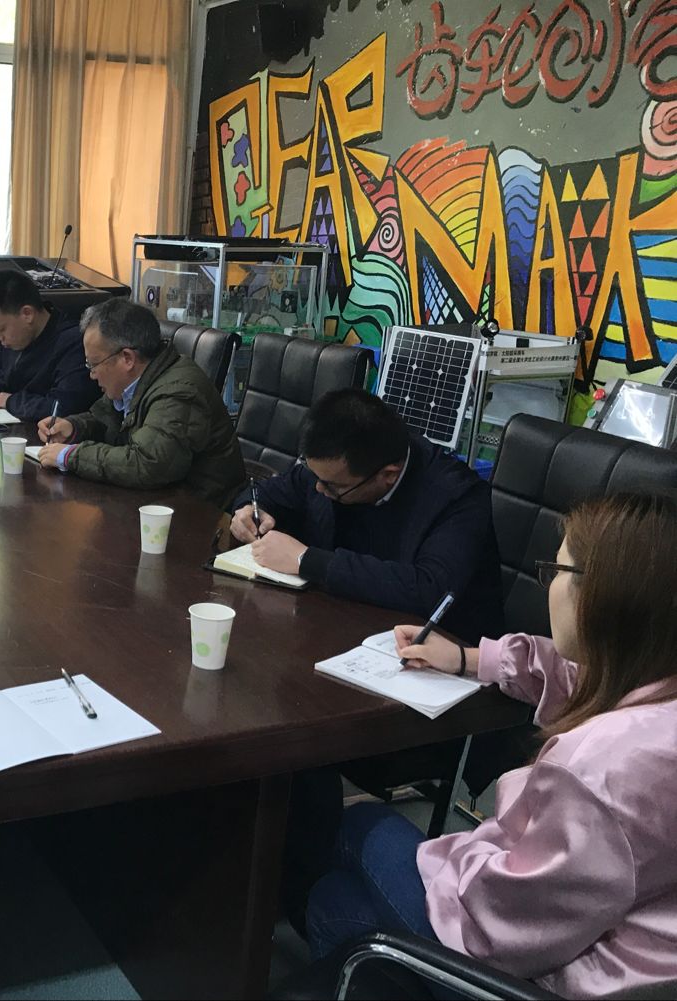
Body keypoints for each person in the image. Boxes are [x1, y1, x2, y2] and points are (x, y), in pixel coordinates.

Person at [304, 491, 677, 998]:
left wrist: (461, 856)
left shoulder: (603, 768)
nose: (550, 586)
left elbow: (502, 931)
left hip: (550, 974)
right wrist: (468, 659)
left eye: (556, 570)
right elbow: (578, 673)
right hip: (631, 940)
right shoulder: (655, 684)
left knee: (353, 840)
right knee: (340, 899)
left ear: (603, 596)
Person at [220, 388, 502, 642]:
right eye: (313, 475)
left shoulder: (458, 498)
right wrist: (249, 509)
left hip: (433, 651)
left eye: (332, 486)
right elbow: (268, 491)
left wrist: (306, 560)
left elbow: (429, 590)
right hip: (333, 623)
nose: (318, 488)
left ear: (388, 475)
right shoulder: (329, 469)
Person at [35, 298, 247, 505]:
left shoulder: (179, 391)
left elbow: (148, 464)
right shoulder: (133, 382)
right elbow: (104, 419)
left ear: (127, 358)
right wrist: (73, 427)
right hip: (153, 501)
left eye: (94, 364)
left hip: (200, 512)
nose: (92, 375)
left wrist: (71, 456)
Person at [0, 269, 99, 424]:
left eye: (1, 328)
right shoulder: (20, 337)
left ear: (27, 314)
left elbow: (62, 408)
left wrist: (10, 401)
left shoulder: (73, 343)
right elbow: (10, 378)